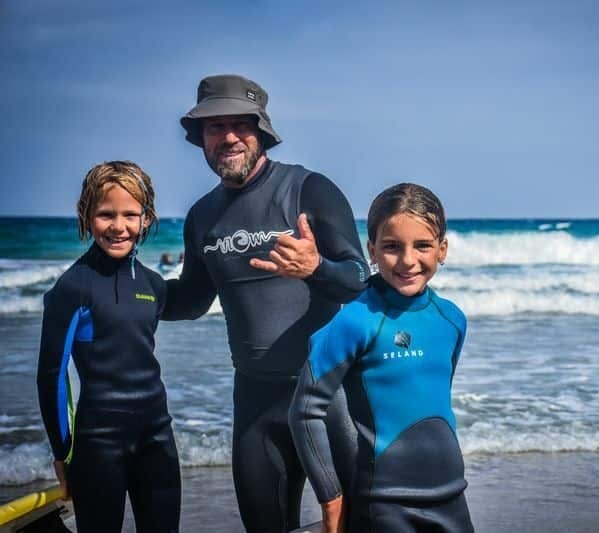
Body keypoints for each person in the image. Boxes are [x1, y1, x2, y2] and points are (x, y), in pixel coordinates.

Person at [163, 74, 367, 532]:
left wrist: (316, 269)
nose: (229, 136)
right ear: (201, 139)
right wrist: (129, 291)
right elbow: (192, 300)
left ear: (261, 131)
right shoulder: (201, 217)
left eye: (241, 125)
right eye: (215, 127)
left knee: (359, 526)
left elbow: (359, 281)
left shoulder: (309, 189)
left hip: (328, 399)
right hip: (255, 406)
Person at [289, 183, 474, 533]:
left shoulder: (452, 319)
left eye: (423, 245)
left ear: (443, 249)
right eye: (391, 247)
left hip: (452, 495)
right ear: (372, 250)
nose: (408, 260)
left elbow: (432, 392)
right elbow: (304, 411)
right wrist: (331, 498)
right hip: (384, 503)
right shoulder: (355, 321)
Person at [36, 161, 181, 533]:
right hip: (98, 443)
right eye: (105, 214)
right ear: (86, 215)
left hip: (157, 437)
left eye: (130, 214)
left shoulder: (154, 285)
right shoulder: (73, 288)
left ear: (146, 219)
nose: (119, 226)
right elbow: (52, 377)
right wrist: (62, 452)